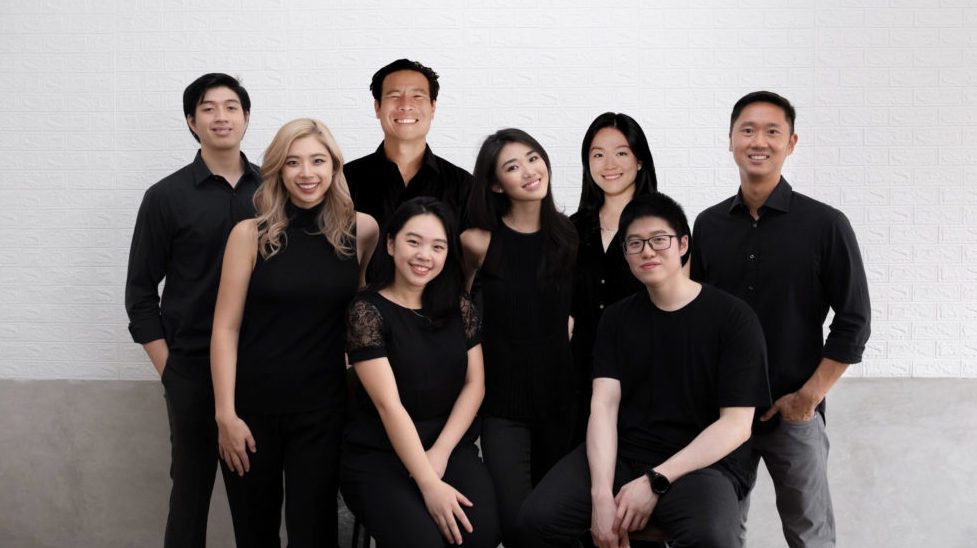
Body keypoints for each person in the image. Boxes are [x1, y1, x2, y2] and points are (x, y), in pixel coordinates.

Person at [520, 193, 771, 548]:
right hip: (627, 451)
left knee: (711, 536)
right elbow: (604, 406)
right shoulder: (617, 318)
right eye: (635, 244)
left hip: (701, 465)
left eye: (658, 240)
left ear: (683, 244)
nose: (647, 251)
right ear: (625, 255)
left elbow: (736, 424)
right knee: (535, 521)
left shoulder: (734, 318)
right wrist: (601, 496)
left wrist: (656, 480)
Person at [691, 91, 871, 547]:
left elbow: (854, 320)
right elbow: (693, 316)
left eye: (772, 131)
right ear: (730, 140)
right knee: (716, 532)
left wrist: (808, 398)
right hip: (722, 411)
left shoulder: (826, 225)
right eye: (747, 130)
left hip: (794, 411)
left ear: (791, 143)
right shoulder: (708, 225)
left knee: (811, 534)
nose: (759, 141)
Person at [210, 118, 378, 546]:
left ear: (334, 166)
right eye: (293, 162)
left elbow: (361, 319)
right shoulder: (249, 234)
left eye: (318, 161)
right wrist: (226, 414)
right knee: (255, 533)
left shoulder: (362, 231)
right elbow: (225, 328)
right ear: (278, 170)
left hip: (324, 410)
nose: (307, 173)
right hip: (252, 409)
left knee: (314, 533)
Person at [124, 73, 260, 548]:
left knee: (256, 501)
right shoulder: (165, 197)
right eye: (208, 108)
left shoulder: (274, 191)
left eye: (231, 106)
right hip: (192, 370)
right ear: (190, 121)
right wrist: (172, 371)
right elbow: (140, 294)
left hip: (261, 368)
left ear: (246, 117)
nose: (221, 117)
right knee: (189, 497)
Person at [341, 197, 500, 548]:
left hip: (446, 445)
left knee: (482, 535)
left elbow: (475, 385)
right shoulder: (367, 311)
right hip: (380, 454)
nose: (424, 255)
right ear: (391, 243)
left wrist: (440, 453)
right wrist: (429, 483)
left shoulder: (458, 306)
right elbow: (389, 406)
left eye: (437, 246)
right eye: (413, 242)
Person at [461, 128, 578, 547]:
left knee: (554, 524)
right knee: (515, 524)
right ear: (496, 184)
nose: (529, 171)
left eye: (533, 158)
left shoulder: (569, 236)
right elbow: (453, 314)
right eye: (513, 167)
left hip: (560, 401)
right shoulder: (476, 242)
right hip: (501, 404)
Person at [570, 112, 659, 444]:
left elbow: (682, 304)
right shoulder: (571, 229)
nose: (609, 164)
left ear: (639, 160)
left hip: (644, 379)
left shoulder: (663, 226)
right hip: (579, 379)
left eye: (621, 152)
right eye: (598, 154)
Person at [345, 59, 472, 230]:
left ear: (433, 108)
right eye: (394, 96)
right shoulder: (344, 181)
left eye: (417, 96)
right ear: (377, 107)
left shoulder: (464, 186)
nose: (405, 105)